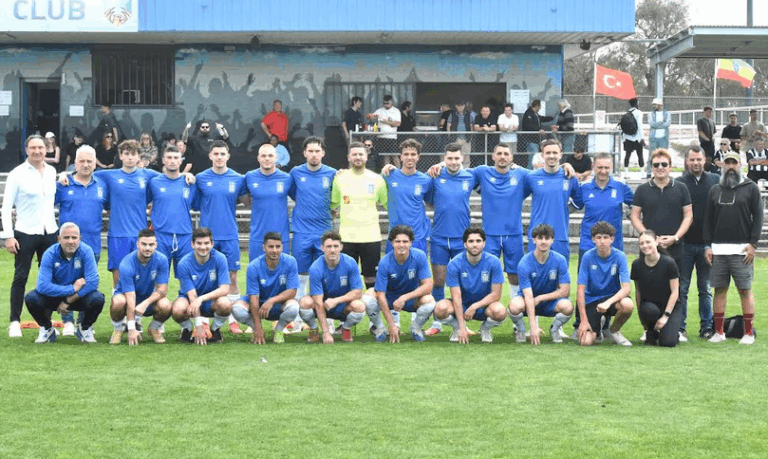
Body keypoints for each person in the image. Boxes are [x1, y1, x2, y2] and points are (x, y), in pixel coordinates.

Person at [704, 152, 763, 345]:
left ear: (740, 165)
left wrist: (753, 244)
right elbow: (707, 220)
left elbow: (758, 217)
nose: (730, 166)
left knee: (744, 290)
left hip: (742, 251)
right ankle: (719, 332)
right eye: (727, 163)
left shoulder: (751, 188)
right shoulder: (715, 190)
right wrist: (707, 245)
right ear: (722, 165)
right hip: (718, 250)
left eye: (734, 163)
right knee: (719, 290)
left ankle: (748, 333)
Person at [2, 135, 59, 338]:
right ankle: (14, 322)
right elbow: (6, 207)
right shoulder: (17, 174)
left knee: (49, 278)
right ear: (26, 150)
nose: (37, 151)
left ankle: (46, 322)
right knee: (21, 277)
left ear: (46, 149)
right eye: (33, 148)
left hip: (49, 232)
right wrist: (8, 236)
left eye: (40, 147)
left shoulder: (52, 171)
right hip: (25, 232)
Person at [193, 141, 247, 334]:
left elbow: (245, 199)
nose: (219, 157)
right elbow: (196, 203)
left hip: (229, 234)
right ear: (210, 156)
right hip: (207, 237)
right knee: (205, 277)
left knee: (232, 277)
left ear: (228, 156)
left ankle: (233, 320)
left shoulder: (238, 179)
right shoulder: (200, 178)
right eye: (215, 153)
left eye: (222, 154)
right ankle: (204, 321)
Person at [422, 143, 475, 335]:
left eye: (456, 158)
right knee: (438, 281)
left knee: (462, 283)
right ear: (444, 159)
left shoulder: (471, 176)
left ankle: (461, 324)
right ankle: (437, 323)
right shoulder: (435, 176)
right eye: (449, 158)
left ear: (463, 159)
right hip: (439, 237)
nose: (453, 162)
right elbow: (428, 200)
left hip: (462, 239)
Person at [24, 223, 104, 343]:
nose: (70, 241)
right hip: (55, 296)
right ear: (59, 239)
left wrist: (68, 300)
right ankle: (47, 328)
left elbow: (93, 282)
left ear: (79, 239)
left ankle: (84, 328)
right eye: (66, 237)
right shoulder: (50, 254)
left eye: (74, 237)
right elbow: (42, 286)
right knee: (31, 298)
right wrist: (72, 288)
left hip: (77, 297)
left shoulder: (86, 251)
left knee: (97, 299)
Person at [433, 227, 507, 343]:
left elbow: (496, 294)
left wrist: (474, 307)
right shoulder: (454, 263)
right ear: (465, 244)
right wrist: (462, 327)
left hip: (484, 306)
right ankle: (457, 328)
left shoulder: (494, 262)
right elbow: (456, 296)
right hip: (462, 305)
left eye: (478, 241)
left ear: (484, 243)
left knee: (500, 311)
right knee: (440, 308)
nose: (475, 245)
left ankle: (485, 329)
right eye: (471, 241)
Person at [331, 142, 387, 290]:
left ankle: (372, 305)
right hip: (347, 237)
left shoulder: (377, 179)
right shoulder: (340, 178)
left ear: (366, 157)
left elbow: (388, 204)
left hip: (371, 237)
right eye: (354, 154)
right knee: (346, 278)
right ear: (348, 157)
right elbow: (333, 203)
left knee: (371, 278)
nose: (358, 157)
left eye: (361, 154)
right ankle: (349, 305)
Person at [677, 146, 719, 339]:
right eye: (692, 159)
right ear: (687, 161)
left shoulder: (715, 181)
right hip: (684, 244)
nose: (695, 163)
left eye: (699, 159)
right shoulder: (679, 183)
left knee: (705, 288)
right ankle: (680, 327)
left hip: (706, 245)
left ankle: (707, 327)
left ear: (705, 160)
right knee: (682, 288)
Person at [289, 136, 337, 303]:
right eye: (310, 151)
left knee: (325, 270)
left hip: (324, 232)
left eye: (317, 151)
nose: (314, 154)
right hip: (301, 231)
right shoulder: (296, 172)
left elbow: (336, 197)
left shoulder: (332, 173)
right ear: (305, 153)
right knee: (300, 271)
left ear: (323, 153)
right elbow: (294, 194)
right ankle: (299, 308)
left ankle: (324, 308)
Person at [367, 225, 435, 343]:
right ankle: (380, 329)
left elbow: (428, 286)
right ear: (392, 243)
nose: (401, 245)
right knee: (368, 296)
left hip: (411, 299)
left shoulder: (419, 256)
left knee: (429, 300)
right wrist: (391, 324)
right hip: (389, 298)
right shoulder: (384, 262)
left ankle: (416, 329)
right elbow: (381, 294)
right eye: (397, 241)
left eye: (405, 241)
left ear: (411, 243)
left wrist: (404, 298)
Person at [508, 224, 573, 345]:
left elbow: (565, 291)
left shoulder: (560, 260)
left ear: (552, 240)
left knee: (567, 306)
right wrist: (533, 327)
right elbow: (528, 296)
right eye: (540, 238)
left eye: (547, 238)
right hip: (527, 301)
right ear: (534, 240)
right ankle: (521, 329)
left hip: (549, 302)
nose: (543, 242)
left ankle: (554, 329)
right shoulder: (524, 263)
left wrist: (540, 298)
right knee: (514, 306)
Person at [231, 232, 300, 345]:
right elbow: (253, 297)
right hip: (258, 304)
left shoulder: (290, 262)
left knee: (294, 307)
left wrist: (271, 301)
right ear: (264, 248)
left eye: (277, 246)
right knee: (236, 309)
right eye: (271, 247)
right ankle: (257, 329)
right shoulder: (254, 266)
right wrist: (258, 327)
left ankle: (278, 330)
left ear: (282, 247)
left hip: (278, 304)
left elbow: (292, 291)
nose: (274, 250)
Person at [298, 231, 367, 344]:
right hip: (323, 305)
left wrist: (336, 300)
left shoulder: (350, 262)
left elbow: (358, 292)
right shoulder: (315, 268)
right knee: (305, 302)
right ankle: (314, 329)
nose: (333, 250)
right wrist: (326, 332)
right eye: (329, 246)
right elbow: (318, 302)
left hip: (342, 305)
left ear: (341, 247)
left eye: (335, 246)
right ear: (322, 248)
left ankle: (345, 328)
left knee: (359, 306)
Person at [631, 148, 693, 272]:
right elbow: (634, 216)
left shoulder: (682, 188)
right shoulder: (642, 190)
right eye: (656, 165)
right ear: (651, 167)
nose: (660, 167)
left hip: (676, 248)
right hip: (649, 249)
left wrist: (675, 237)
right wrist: (649, 238)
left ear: (670, 167)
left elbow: (688, 216)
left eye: (664, 164)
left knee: (676, 283)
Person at [109, 229, 171, 345]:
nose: (147, 248)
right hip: (127, 298)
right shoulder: (127, 263)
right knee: (118, 302)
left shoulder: (162, 259)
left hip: (147, 299)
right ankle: (118, 328)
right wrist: (132, 328)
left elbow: (162, 289)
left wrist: (145, 303)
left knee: (166, 304)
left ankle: (154, 329)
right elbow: (130, 297)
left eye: (151, 244)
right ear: (137, 244)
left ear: (156, 245)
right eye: (144, 244)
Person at [576, 221, 633, 347]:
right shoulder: (587, 257)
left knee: (627, 304)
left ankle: (613, 331)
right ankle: (599, 326)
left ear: (612, 239)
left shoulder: (620, 256)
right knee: (585, 342)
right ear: (593, 239)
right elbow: (580, 290)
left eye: (606, 237)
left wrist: (608, 302)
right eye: (599, 237)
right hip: (593, 300)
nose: (602, 241)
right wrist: (583, 320)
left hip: (612, 299)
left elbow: (626, 288)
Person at [171, 227, 232, 345]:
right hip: (190, 300)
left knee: (225, 304)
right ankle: (188, 329)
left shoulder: (220, 258)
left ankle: (215, 330)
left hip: (211, 300)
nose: (203, 247)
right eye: (199, 243)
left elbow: (225, 289)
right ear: (192, 244)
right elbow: (192, 295)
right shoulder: (184, 263)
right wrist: (198, 325)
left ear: (212, 244)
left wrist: (201, 299)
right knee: (178, 309)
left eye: (206, 243)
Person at [524, 138, 581, 260]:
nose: (551, 156)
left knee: (560, 271)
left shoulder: (569, 177)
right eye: (548, 153)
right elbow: (518, 196)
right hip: (537, 236)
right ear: (542, 155)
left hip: (560, 236)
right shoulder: (531, 177)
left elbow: (579, 200)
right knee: (535, 270)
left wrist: (564, 210)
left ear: (561, 154)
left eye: (555, 153)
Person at [147, 145, 197, 273]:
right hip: (160, 235)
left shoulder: (190, 183)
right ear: (163, 160)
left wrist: (189, 175)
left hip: (184, 235)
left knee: (186, 276)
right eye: (169, 157)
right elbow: (144, 202)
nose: (172, 161)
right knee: (158, 276)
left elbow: (197, 205)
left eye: (176, 158)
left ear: (181, 161)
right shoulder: (154, 182)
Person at [631, 230, 682, 347]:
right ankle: (651, 332)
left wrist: (665, 316)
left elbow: (675, 292)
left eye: (648, 242)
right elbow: (638, 292)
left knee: (668, 343)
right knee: (648, 310)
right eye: (642, 243)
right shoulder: (636, 265)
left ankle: (671, 332)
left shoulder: (669, 263)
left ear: (656, 242)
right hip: (650, 307)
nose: (645, 246)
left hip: (670, 307)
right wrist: (642, 318)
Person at [244, 144, 294, 262]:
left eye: (270, 156)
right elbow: (242, 197)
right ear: (258, 158)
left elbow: (300, 198)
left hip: (281, 237)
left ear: (276, 158)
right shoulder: (249, 177)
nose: (267, 159)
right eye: (263, 156)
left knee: (282, 272)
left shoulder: (287, 178)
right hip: (258, 237)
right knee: (256, 271)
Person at [381, 139, 432, 253]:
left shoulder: (426, 180)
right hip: (395, 236)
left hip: (417, 236)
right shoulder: (389, 175)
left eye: (413, 154)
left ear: (418, 157)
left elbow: (430, 202)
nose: (410, 157)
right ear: (401, 157)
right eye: (406, 154)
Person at [520, 99, 554, 168]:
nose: (540, 109)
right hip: (530, 139)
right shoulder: (528, 114)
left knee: (534, 155)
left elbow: (541, 118)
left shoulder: (535, 114)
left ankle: (531, 169)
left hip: (535, 139)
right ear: (537, 106)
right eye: (539, 107)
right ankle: (530, 170)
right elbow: (529, 125)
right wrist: (539, 129)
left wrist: (551, 118)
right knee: (533, 155)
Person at [373, 95, 402, 167]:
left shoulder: (396, 111)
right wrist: (370, 117)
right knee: (385, 155)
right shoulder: (379, 111)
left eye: (387, 103)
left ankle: (399, 170)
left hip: (391, 137)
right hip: (382, 137)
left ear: (391, 102)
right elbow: (373, 118)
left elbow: (398, 123)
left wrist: (386, 122)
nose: (386, 105)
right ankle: (387, 170)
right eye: (384, 103)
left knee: (394, 155)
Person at [647, 98, 671, 179]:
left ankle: (666, 172)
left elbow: (668, 124)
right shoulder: (651, 114)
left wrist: (656, 125)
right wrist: (661, 124)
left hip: (664, 138)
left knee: (665, 156)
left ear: (660, 105)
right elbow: (651, 123)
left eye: (655, 104)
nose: (654, 106)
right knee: (651, 156)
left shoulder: (667, 113)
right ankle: (649, 172)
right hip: (653, 138)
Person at [622, 98, 644, 175]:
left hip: (628, 137)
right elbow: (640, 125)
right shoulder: (639, 113)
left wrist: (624, 138)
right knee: (640, 155)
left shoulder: (627, 112)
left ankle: (626, 173)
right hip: (637, 138)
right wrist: (641, 137)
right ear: (637, 103)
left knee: (627, 155)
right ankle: (642, 173)